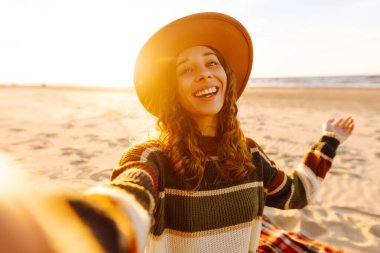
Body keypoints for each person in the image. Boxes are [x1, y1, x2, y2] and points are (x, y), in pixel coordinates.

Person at [0, 12, 354, 253]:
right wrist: (81, 224)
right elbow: (128, 198)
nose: (203, 73)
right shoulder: (151, 157)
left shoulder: (250, 154)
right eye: (186, 69)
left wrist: (329, 140)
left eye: (212, 63)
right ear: (173, 90)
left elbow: (295, 195)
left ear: (226, 79)